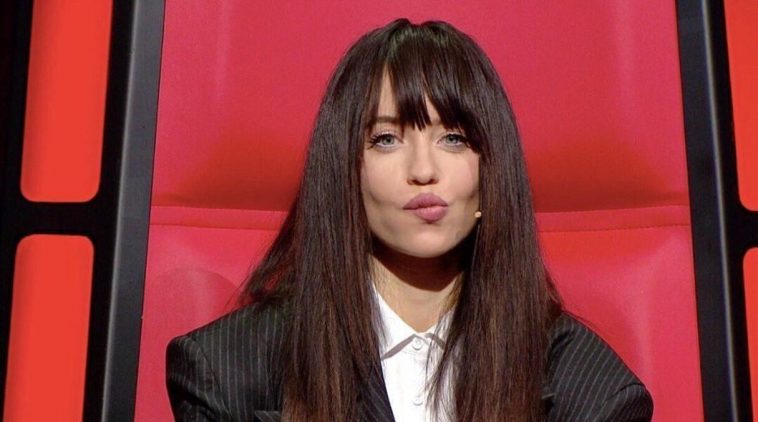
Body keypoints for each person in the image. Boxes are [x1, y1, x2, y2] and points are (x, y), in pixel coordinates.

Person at [166, 19, 653, 422]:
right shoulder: (226, 370)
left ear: (492, 169)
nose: (423, 170)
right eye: (386, 139)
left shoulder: (592, 392)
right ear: (344, 170)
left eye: (454, 139)